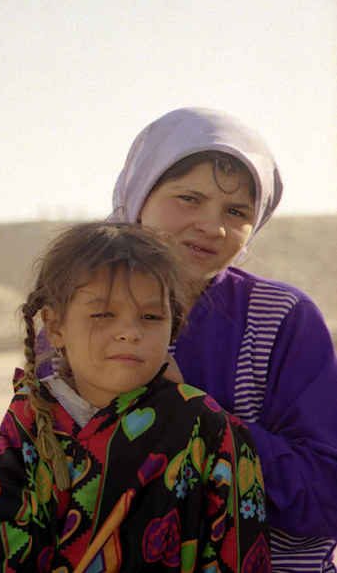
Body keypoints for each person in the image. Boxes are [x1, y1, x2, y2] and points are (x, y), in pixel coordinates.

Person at [0, 222, 271, 572]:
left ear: (172, 325)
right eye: (103, 314)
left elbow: (238, 549)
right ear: (56, 328)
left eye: (150, 316)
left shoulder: (204, 425)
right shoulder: (32, 416)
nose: (130, 333)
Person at [109, 107, 337, 572]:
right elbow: (36, 469)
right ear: (139, 192)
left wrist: (193, 414)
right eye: (189, 198)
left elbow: (326, 497)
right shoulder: (81, 312)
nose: (212, 227)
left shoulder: (283, 321)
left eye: (237, 212)